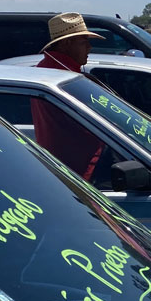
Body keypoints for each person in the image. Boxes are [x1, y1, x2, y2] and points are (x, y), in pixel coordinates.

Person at [33, 12, 107, 180]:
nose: (89, 47)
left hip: (67, 166)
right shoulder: (63, 76)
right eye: (84, 42)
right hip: (78, 170)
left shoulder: (49, 68)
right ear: (66, 43)